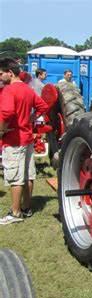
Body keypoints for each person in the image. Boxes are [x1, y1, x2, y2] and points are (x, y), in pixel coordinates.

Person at [0, 58, 48, 225]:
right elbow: (43, 106)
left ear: (10, 73)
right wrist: (31, 118)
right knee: (28, 174)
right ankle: (27, 208)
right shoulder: (28, 89)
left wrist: (1, 130)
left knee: (15, 177)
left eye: (1, 74)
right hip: (27, 138)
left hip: (13, 139)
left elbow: (6, 113)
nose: (0, 77)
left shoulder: (8, 90)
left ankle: (15, 212)